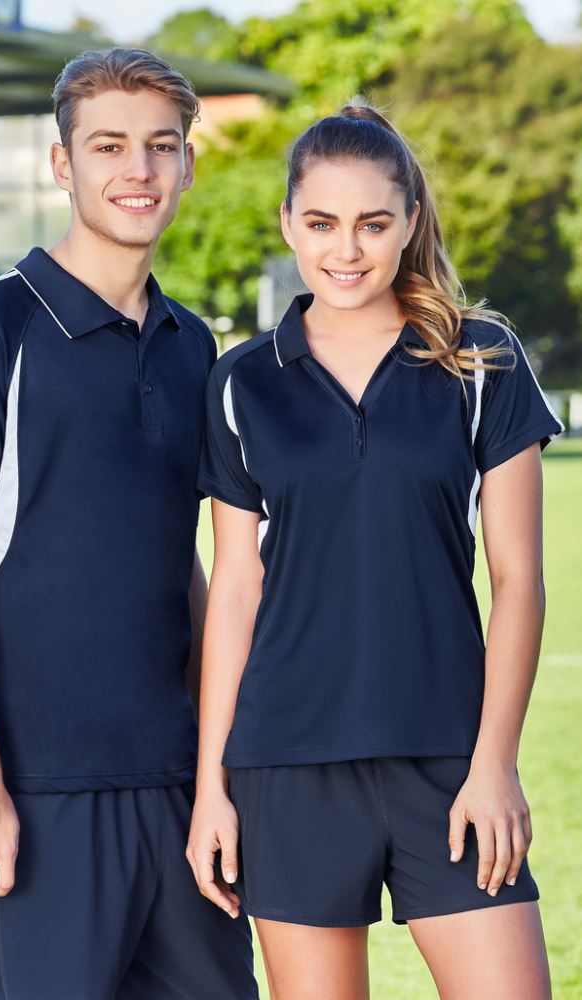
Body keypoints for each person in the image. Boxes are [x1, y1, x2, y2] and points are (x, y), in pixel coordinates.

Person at [187, 100, 563, 999]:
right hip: (285, 766)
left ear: (409, 224)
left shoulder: (482, 358)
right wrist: (211, 790)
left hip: (449, 759)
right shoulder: (242, 381)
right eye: (320, 223)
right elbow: (236, 592)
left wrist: (495, 763)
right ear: (288, 223)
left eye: (372, 223)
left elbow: (518, 580)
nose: (345, 249)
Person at [0, 47, 257, 1000]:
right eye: (109, 147)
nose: (136, 172)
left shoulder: (193, 348)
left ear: (188, 164)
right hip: (35, 798)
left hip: (179, 796)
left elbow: (178, 558)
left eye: (160, 147)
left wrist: (215, 773)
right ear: (62, 165)